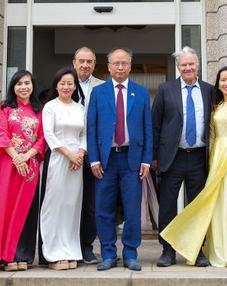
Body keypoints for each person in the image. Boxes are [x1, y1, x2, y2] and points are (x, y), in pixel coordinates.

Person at [160, 66, 227, 268]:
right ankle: (172, 247)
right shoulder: (216, 107)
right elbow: (211, 135)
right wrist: (210, 163)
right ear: (218, 84)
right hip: (211, 159)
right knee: (211, 205)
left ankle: (223, 251)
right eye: (223, 80)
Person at [87, 47, 152, 272]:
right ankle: (108, 254)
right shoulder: (99, 92)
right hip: (105, 161)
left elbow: (147, 128)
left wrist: (146, 160)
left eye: (124, 63)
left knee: (132, 210)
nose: (120, 67)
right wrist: (94, 159)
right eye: (116, 63)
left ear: (130, 67)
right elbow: (92, 127)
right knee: (103, 209)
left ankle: (131, 254)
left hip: (131, 159)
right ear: (109, 67)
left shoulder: (141, 92)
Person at [151, 46, 212, 268]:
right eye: (183, 64)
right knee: (168, 205)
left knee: (197, 206)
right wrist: (154, 156)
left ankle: (196, 249)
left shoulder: (209, 90)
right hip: (172, 157)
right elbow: (155, 124)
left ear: (198, 65)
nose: (188, 68)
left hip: (199, 157)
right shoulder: (166, 89)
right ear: (178, 67)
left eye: (191, 64)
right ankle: (167, 250)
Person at [0, 70, 46, 271]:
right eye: (19, 83)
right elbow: (1, 135)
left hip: (30, 167)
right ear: (13, 87)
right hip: (9, 165)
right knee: (6, 207)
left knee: (27, 209)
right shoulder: (5, 108)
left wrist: (26, 156)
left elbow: (42, 139)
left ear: (33, 86)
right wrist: (16, 157)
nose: (23, 87)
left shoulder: (39, 110)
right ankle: (6, 256)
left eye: (27, 83)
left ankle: (23, 255)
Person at [39, 68, 87, 270]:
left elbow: (84, 134)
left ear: (75, 86)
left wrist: (80, 155)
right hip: (58, 159)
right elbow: (49, 135)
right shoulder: (50, 107)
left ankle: (70, 250)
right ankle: (53, 253)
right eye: (62, 83)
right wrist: (69, 154)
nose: (66, 87)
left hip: (77, 163)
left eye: (70, 83)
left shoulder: (80, 108)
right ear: (56, 85)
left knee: (71, 206)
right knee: (54, 204)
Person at [72, 46, 104, 264]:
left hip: (93, 153)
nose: (85, 65)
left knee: (91, 203)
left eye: (89, 61)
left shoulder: (102, 87)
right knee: (68, 201)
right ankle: (67, 245)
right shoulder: (64, 83)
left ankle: (86, 246)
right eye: (81, 61)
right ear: (74, 63)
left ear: (94, 64)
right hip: (68, 153)